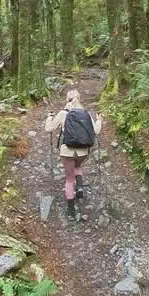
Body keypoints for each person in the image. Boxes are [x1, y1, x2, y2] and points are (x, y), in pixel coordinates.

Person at [43, 89, 102, 220]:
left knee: (69, 180)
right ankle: (80, 187)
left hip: (67, 151)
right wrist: (99, 120)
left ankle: (71, 211)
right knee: (78, 166)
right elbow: (96, 131)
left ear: (67, 99)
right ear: (79, 99)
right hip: (83, 151)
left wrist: (49, 117)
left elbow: (49, 129)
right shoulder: (85, 113)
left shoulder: (63, 113)